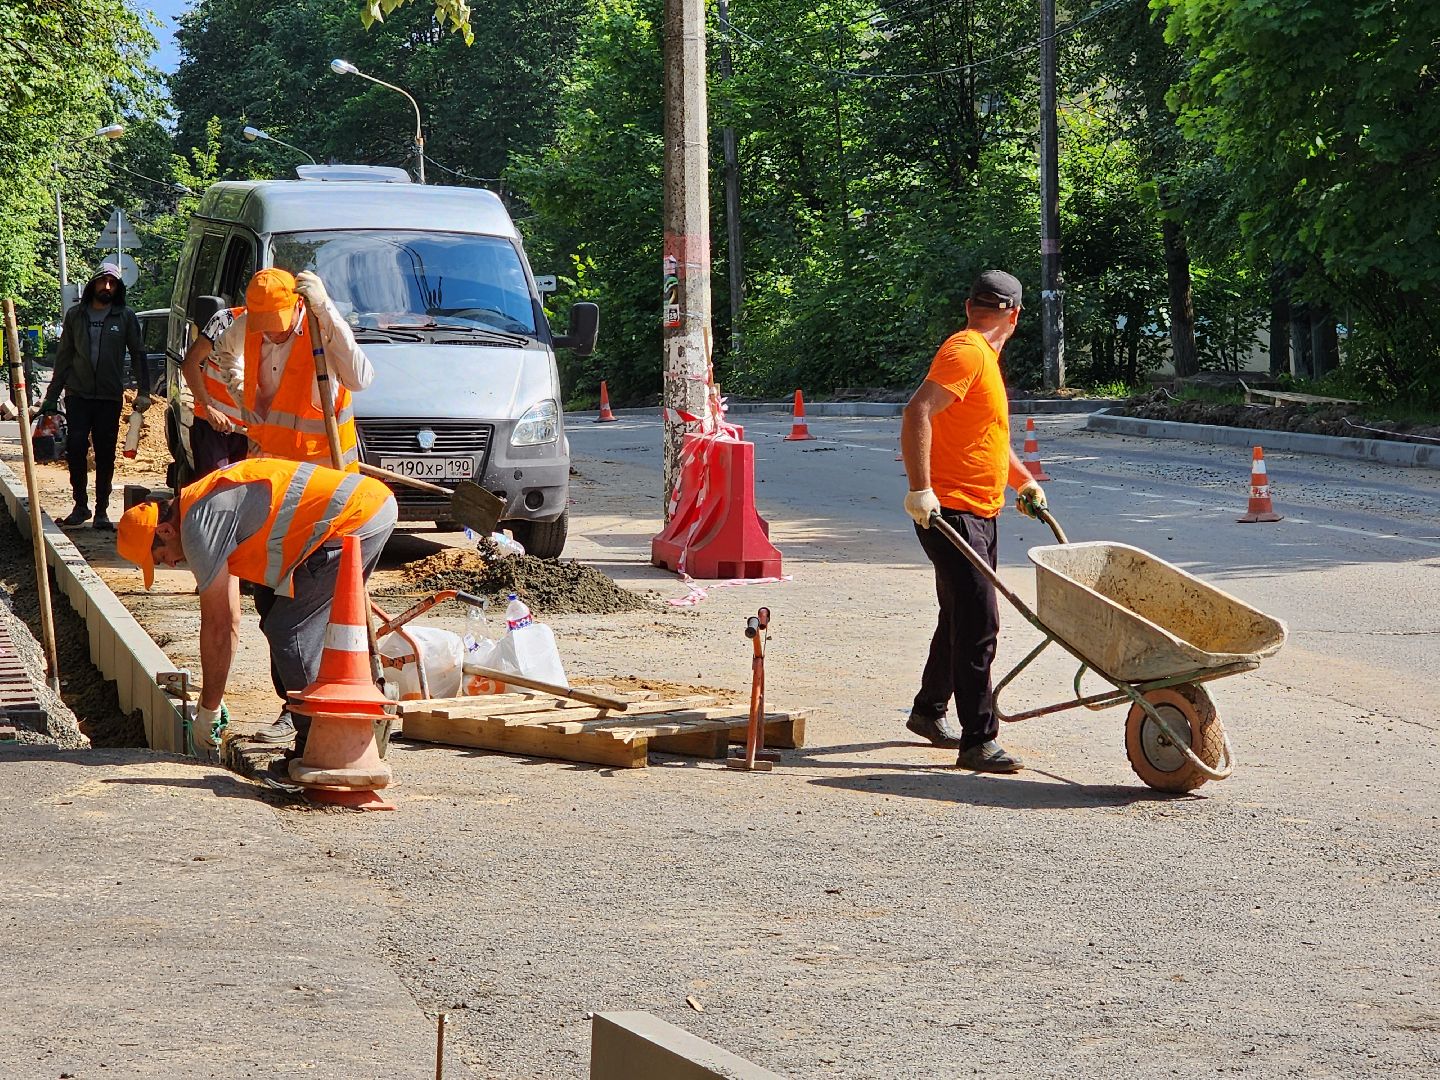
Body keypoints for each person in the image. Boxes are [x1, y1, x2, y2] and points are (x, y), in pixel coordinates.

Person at [116, 458, 397, 762]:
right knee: (279, 615)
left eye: (161, 557)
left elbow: (219, 626)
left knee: (291, 630)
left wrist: (208, 711)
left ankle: (322, 745)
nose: (171, 564)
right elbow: (232, 618)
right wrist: (214, 695)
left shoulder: (199, 527)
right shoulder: (201, 504)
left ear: (167, 531)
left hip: (353, 519)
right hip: (359, 509)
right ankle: (323, 716)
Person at [899, 270, 1048, 773]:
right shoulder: (966, 352)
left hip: (978, 508)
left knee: (958, 614)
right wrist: (921, 489)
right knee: (980, 620)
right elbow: (917, 411)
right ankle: (978, 740)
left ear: (969, 306)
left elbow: (983, 435)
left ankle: (928, 711)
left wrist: (1022, 480)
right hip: (949, 511)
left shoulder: (982, 356)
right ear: (1016, 314)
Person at [211, 267, 373, 471]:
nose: (271, 332)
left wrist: (325, 309)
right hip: (268, 469)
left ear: (298, 304)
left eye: (278, 322)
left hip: (320, 473)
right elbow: (223, 352)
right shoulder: (247, 325)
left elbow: (360, 380)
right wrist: (241, 393)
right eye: (264, 324)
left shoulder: (321, 328)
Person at [41, 263, 152, 530]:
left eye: (112, 283)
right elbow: (65, 357)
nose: (107, 287)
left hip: (109, 396)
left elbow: (138, 354)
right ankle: (80, 505)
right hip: (78, 394)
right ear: (93, 284)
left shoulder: (125, 317)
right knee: (76, 446)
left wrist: (144, 391)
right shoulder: (76, 316)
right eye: (103, 282)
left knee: (105, 452)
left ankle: (102, 510)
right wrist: (51, 397)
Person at [179, 303, 249, 477]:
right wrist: (208, 408)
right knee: (214, 491)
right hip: (213, 426)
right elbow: (190, 364)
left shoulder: (283, 330)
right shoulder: (225, 320)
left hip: (251, 431)